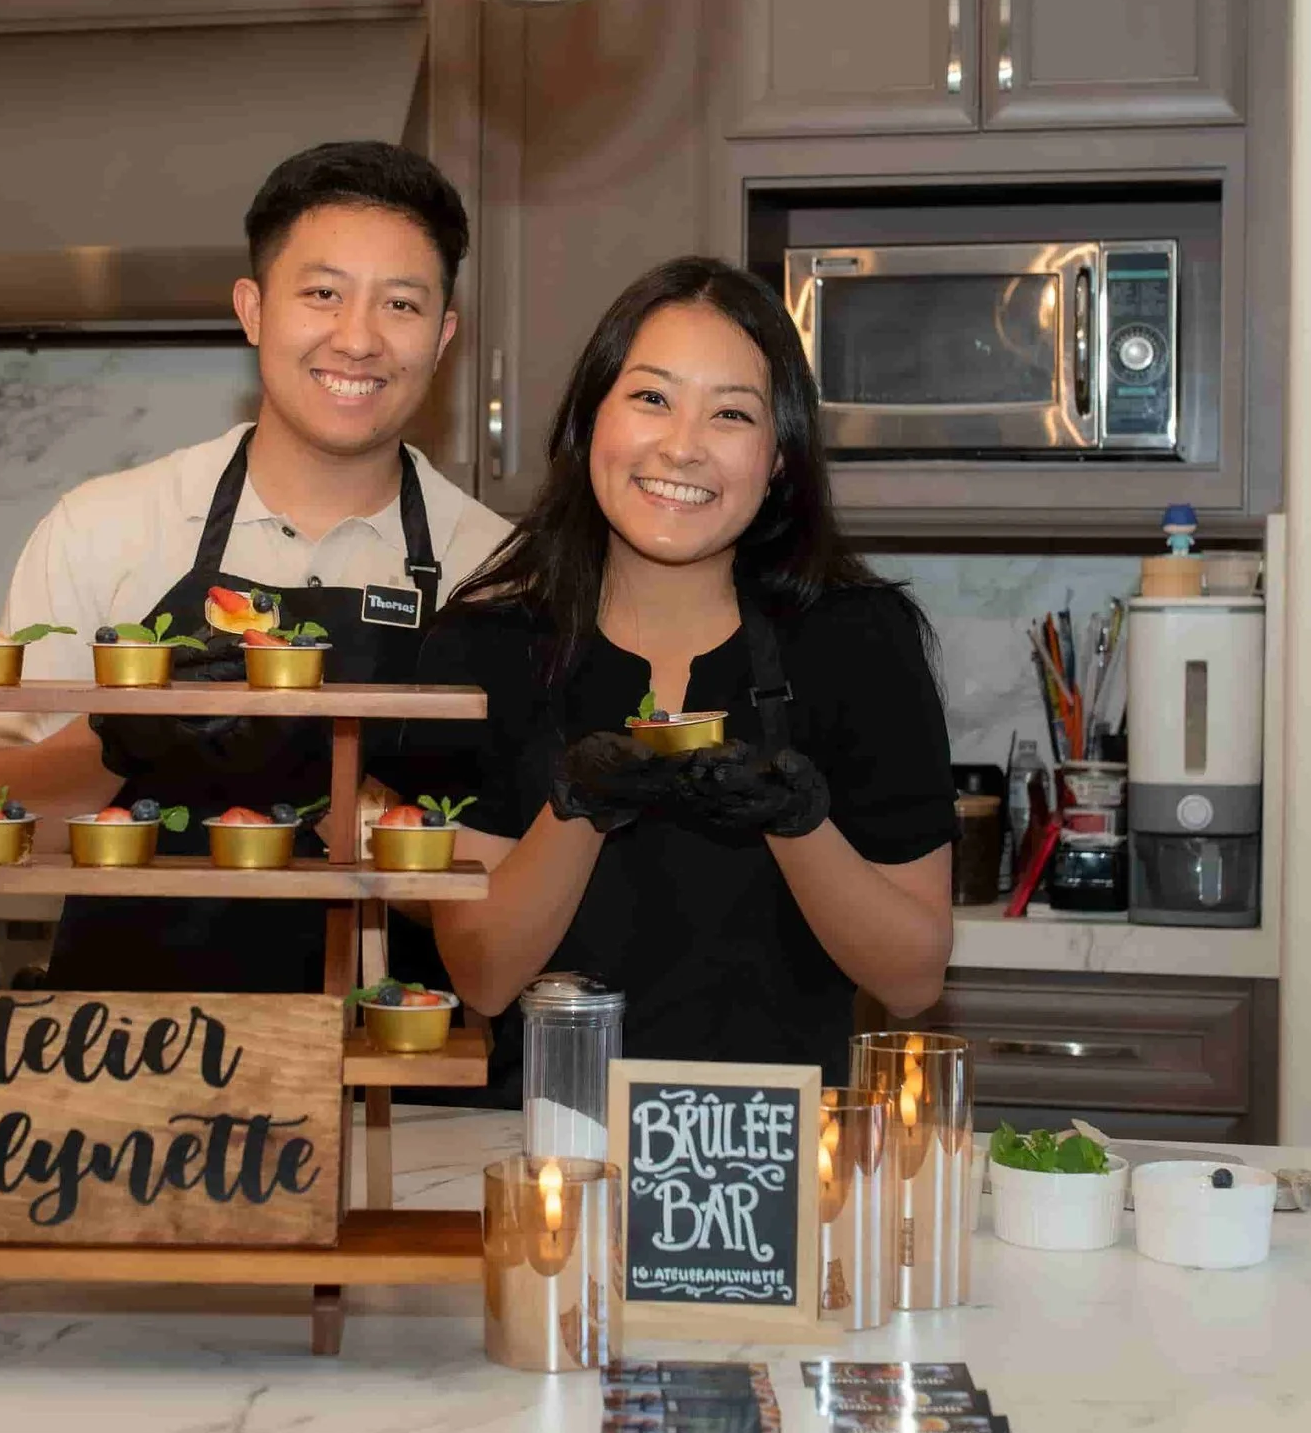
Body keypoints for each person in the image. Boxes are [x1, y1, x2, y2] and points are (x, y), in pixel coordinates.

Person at [380, 256, 955, 1091]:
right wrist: (579, 805)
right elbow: (482, 972)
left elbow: (912, 979)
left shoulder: (858, 642)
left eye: (731, 413)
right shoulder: (484, 646)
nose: (682, 446)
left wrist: (798, 821)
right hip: (547, 1143)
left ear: (780, 458)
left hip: (769, 1155)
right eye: (651, 397)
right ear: (590, 422)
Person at [0, 141, 511, 991]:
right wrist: (120, 734)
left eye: (399, 304)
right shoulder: (108, 528)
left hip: (399, 1084)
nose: (357, 338)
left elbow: (505, 901)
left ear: (442, 338)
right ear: (253, 308)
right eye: (322, 293)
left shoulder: (496, 572)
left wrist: (366, 798)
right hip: (128, 1067)